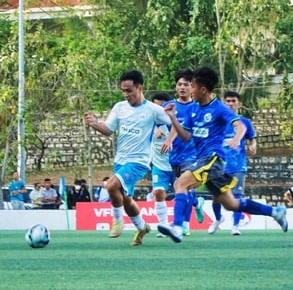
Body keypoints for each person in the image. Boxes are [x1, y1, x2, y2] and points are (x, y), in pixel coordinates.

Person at [157, 66, 287, 243]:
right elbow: (186, 136)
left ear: (203, 90)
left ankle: (178, 227)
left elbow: (240, 126)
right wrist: (172, 118)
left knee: (180, 183)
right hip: (203, 159)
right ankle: (275, 212)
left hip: (213, 159)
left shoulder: (218, 108)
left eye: (192, 87)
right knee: (231, 204)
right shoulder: (193, 109)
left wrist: (236, 139)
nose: (190, 90)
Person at [85, 69, 171, 246]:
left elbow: (175, 124)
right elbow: (108, 129)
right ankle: (142, 227)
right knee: (125, 199)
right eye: (123, 90)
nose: (126, 94)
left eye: (129, 90)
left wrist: (171, 137)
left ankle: (117, 221)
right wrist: (94, 124)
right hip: (121, 161)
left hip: (139, 161)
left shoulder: (154, 110)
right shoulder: (119, 107)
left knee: (110, 185)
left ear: (140, 88)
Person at [161, 70, 205, 236]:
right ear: (175, 87)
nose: (182, 87)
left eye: (186, 84)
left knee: (183, 185)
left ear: (191, 87)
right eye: (180, 84)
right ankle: (197, 203)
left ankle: (183, 224)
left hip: (192, 154)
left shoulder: (196, 107)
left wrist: (170, 139)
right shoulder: (170, 106)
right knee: (182, 189)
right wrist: (159, 130)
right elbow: (159, 120)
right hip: (174, 155)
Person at [208, 91, 257, 236]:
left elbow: (252, 138)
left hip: (237, 165)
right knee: (216, 197)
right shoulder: (217, 121)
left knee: (237, 196)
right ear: (224, 103)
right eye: (227, 101)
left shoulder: (244, 122)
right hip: (219, 164)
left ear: (239, 103)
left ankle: (235, 226)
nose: (230, 103)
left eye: (233, 101)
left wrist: (253, 145)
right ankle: (217, 219)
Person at [149, 92, 176, 236]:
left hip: (177, 164)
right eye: (156, 106)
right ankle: (164, 225)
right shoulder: (149, 121)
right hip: (159, 165)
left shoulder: (175, 121)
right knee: (159, 192)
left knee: (184, 194)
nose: (158, 110)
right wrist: (153, 128)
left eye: (161, 106)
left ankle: (183, 223)